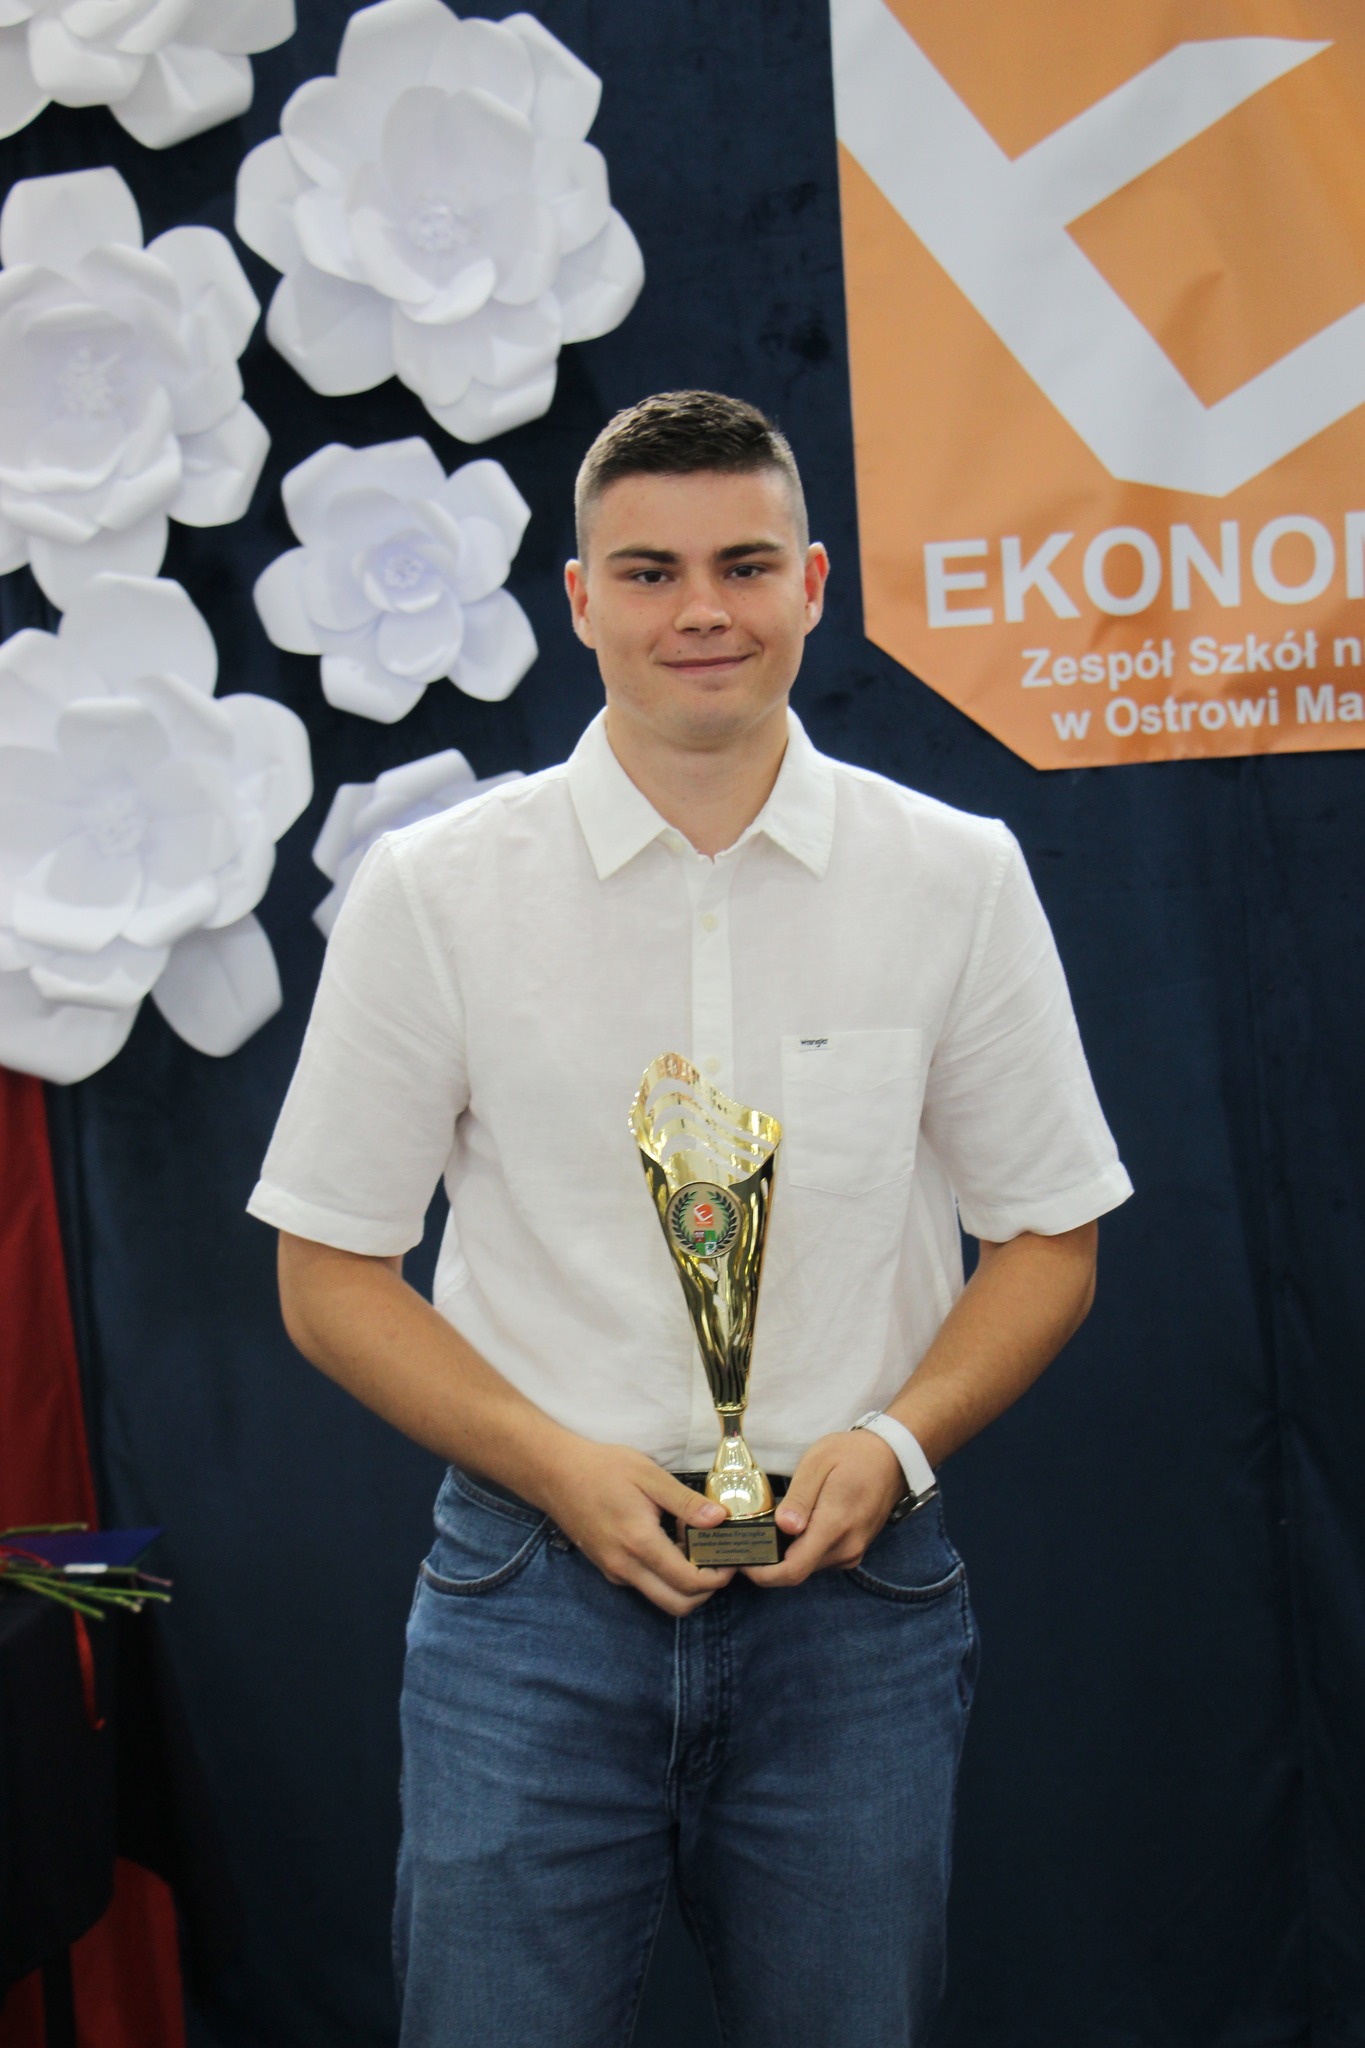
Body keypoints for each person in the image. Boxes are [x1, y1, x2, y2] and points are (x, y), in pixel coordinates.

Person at [247, 390, 1132, 2048]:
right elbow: (327, 1274)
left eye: (743, 565)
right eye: (649, 572)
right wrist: (555, 1467)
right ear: (580, 600)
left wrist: (896, 1443)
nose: (701, 611)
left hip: (856, 1602)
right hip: (528, 1597)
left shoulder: (954, 876)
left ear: (813, 584)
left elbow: (1048, 1239)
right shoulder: (433, 892)